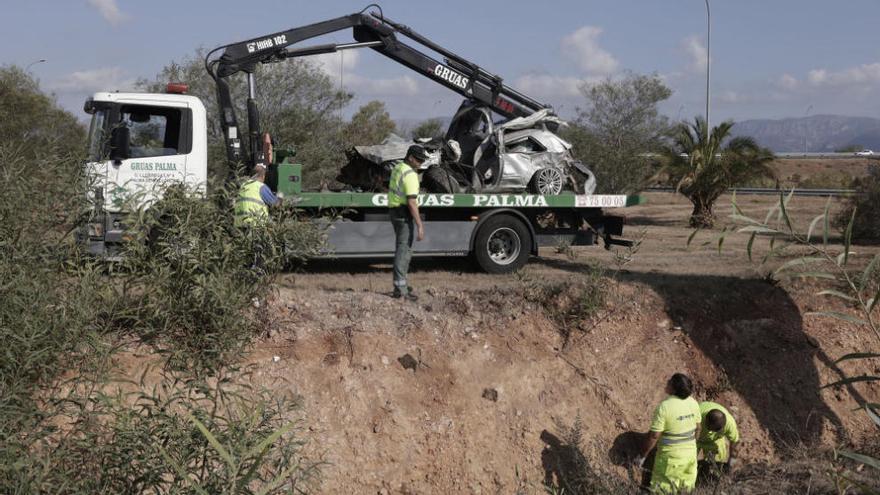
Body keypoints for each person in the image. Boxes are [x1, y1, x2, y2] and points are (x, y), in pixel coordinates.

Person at [636, 373, 702, 494]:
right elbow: (698, 428)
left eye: (670, 381)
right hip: (690, 459)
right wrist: (692, 445)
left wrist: (642, 456)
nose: (667, 381)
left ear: (674, 388)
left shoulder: (664, 407)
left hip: (670, 462)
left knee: (661, 491)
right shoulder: (693, 403)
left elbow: (654, 436)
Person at [388, 144, 427, 300]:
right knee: (404, 251)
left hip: (394, 211)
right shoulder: (410, 174)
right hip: (403, 213)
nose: (421, 163)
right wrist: (420, 225)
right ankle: (401, 289)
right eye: (418, 160)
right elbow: (412, 202)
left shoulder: (398, 167)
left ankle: (401, 285)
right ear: (410, 157)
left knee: (401, 248)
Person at [234, 133, 279, 227]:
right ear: (263, 176)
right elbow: (275, 204)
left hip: (240, 226)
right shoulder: (261, 187)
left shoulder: (244, 186)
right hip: (255, 227)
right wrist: (281, 197)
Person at [697, 401, 740, 478]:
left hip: (715, 440)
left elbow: (735, 442)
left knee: (717, 464)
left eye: (714, 430)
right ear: (706, 420)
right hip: (695, 438)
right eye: (709, 428)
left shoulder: (730, 425)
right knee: (688, 461)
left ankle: (712, 481)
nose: (710, 432)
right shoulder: (697, 415)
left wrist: (731, 463)